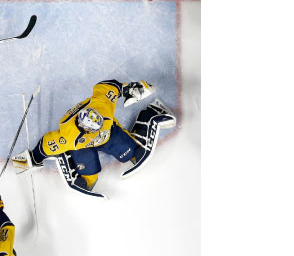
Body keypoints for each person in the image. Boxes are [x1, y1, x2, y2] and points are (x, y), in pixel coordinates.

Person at [12, 79, 176, 197]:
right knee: (89, 176)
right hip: (84, 147)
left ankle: (148, 116)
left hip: (108, 134)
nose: (98, 126)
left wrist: (132, 88)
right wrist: (34, 157)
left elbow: (107, 87)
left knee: (129, 152)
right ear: (84, 128)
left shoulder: (101, 108)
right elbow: (47, 143)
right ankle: (85, 174)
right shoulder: (70, 137)